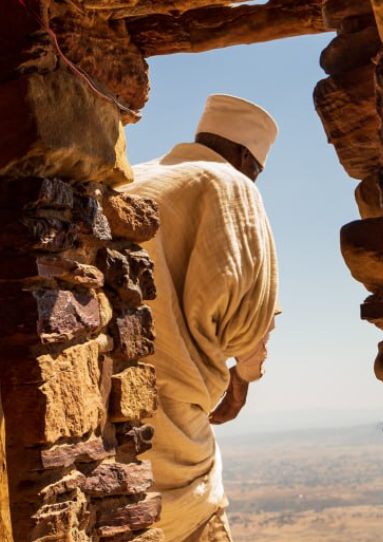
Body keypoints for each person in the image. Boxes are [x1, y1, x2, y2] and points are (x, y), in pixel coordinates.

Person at [122, 94, 280, 542]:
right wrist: (243, 380)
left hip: (107, 422)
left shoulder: (136, 176)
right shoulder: (231, 185)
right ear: (247, 158)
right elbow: (251, 318)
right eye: (258, 172)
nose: (255, 181)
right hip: (176, 439)